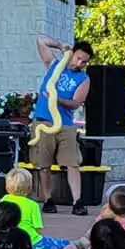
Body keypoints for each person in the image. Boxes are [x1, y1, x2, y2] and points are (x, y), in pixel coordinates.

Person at [30, 35, 94, 216]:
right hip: (44, 121)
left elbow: (75, 103)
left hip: (65, 125)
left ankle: (77, 201)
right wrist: (60, 46)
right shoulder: (54, 65)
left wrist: (56, 99)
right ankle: (48, 199)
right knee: (44, 164)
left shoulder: (83, 79)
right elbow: (40, 40)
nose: (79, 63)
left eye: (84, 61)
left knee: (72, 164)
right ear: (72, 53)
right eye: (78, 58)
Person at [61, 185, 125, 249]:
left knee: (72, 246)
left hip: (98, 248)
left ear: (110, 205)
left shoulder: (103, 217)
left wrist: (89, 245)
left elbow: (89, 235)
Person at [0, 167, 68, 249]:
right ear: (30, 187)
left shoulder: (3, 200)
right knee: (66, 245)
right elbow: (38, 230)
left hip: (8, 245)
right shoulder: (32, 205)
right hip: (31, 244)